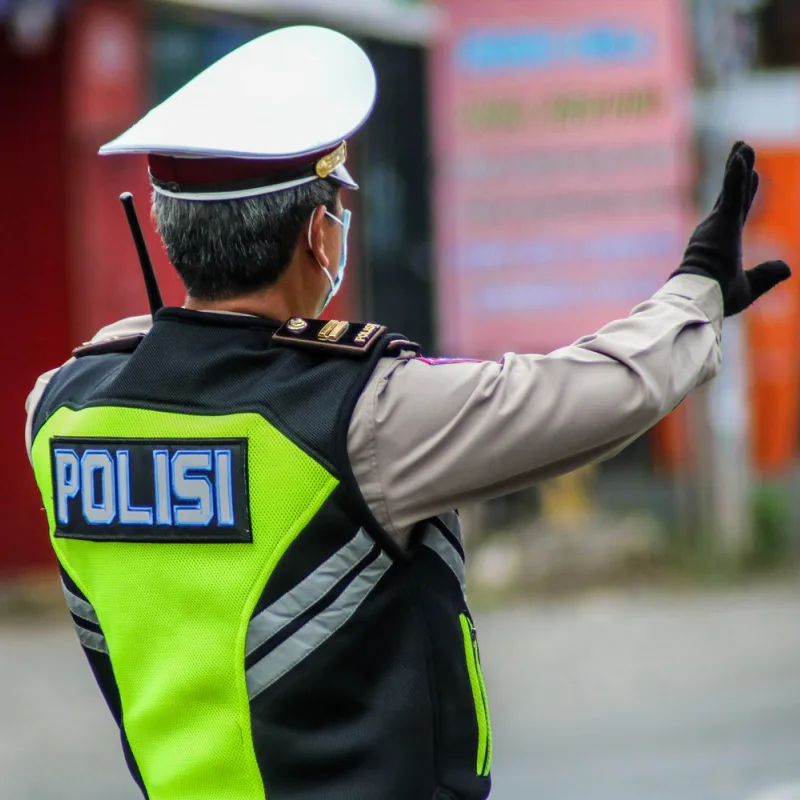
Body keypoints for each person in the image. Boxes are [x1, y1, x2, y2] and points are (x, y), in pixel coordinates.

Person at [24, 24, 789, 800]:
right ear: (320, 235)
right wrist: (697, 287)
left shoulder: (57, 414)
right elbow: (601, 391)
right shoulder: (363, 416)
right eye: (340, 203)